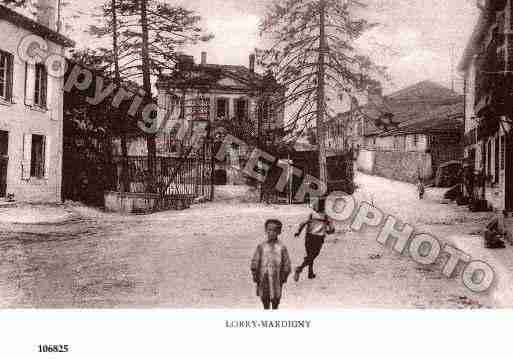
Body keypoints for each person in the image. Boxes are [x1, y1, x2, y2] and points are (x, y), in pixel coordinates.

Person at [250, 219, 292, 310]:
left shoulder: (282, 247)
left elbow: (287, 264)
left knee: (276, 299)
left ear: (279, 232)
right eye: (269, 230)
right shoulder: (261, 246)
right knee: (265, 299)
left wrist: (284, 277)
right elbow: (255, 262)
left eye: (274, 230)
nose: (271, 233)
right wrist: (255, 276)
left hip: (277, 278)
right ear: (266, 230)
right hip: (263, 277)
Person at [293, 197, 335, 281]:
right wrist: (328, 232)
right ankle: (300, 268)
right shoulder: (326, 216)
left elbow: (303, 224)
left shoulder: (311, 214)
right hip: (318, 238)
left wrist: (298, 232)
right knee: (313, 255)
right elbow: (332, 229)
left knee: (310, 255)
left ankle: (310, 273)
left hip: (309, 236)